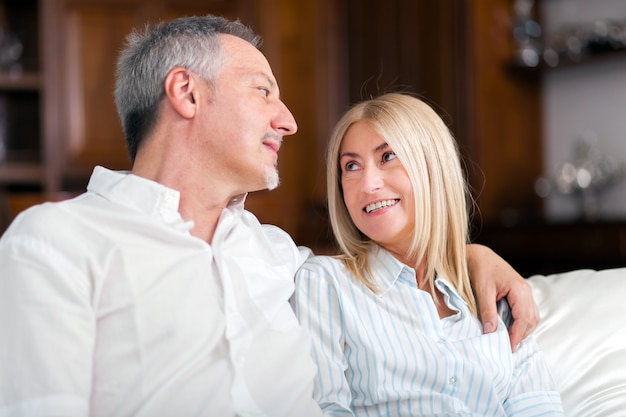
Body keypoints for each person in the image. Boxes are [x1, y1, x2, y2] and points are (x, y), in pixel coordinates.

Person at [0, 15, 536, 417]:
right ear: (186, 92)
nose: (289, 121)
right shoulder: (56, 244)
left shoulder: (278, 257)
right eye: (264, 91)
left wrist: (469, 256)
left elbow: (382, 279)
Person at [294, 93, 563, 416]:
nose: (368, 183)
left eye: (388, 156)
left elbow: (537, 408)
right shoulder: (326, 284)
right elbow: (324, 408)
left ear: (432, 167)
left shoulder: (491, 293)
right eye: (351, 165)